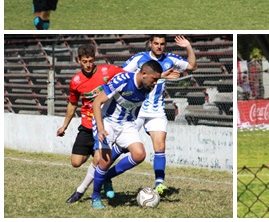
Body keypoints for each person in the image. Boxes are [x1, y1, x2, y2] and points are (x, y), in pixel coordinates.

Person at [121, 35, 196, 195]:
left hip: (156, 110)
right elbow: (122, 74)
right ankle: (106, 176)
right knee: (122, 147)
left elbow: (191, 66)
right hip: (137, 109)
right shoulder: (140, 58)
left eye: (162, 44)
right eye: (156, 43)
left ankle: (159, 184)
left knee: (160, 146)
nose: (159, 46)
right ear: (150, 44)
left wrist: (188, 47)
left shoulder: (171, 59)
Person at [90, 60, 164, 209]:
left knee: (139, 154)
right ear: (143, 74)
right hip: (107, 122)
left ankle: (107, 177)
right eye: (154, 79)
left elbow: (150, 79)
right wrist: (100, 128)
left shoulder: (147, 86)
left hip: (126, 124)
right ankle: (95, 196)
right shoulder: (122, 80)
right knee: (104, 161)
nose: (155, 83)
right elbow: (97, 102)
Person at [60, 44, 124, 204]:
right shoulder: (75, 81)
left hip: (103, 125)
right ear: (78, 61)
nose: (88, 65)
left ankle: (83, 190)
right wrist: (64, 126)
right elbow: (72, 104)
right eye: (84, 62)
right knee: (75, 162)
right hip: (86, 126)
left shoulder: (107, 71)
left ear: (94, 59)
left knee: (98, 159)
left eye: (91, 61)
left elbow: (130, 76)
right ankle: (101, 169)